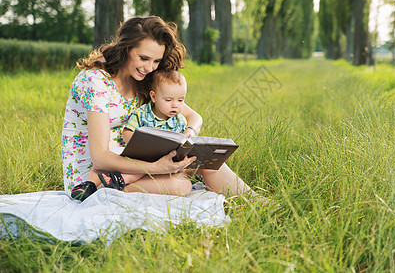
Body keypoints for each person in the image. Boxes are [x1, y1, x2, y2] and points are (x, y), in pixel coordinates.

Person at [62, 16, 256, 202]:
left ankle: (259, 202)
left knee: (207, 162)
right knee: (180, 186)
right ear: (126, 48)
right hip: (95, 177)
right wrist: (156, 167)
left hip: (136, 163)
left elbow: (194, 117)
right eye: (144, 58)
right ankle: (112, 191)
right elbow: (100, 159)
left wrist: (188, 135)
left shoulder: (142, 80)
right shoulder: (96, 81)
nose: (149, 67)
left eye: (156, 61)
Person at [71, 69, 189, 201]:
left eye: (180, 100)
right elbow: (126, 133)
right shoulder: (142, 113)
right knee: (108, 164)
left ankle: (118, 180)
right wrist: (142, 144)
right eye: (168, 100)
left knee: (146, 172)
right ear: (154, 97)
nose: (175, 105)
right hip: (140, 153)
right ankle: (89, 185)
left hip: (161, 159)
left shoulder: (180, 120)